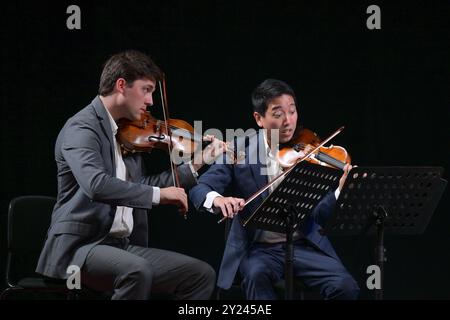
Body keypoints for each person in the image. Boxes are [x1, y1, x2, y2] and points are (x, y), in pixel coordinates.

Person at [36, 50, 221, 300]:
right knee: (136, 271)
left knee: (200, 275)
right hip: (81, 247)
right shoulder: (81, 127)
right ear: (121, 85)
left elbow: (141, 185)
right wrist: (158, 195)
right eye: (146, 90)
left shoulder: (126, 133)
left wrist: (198, 163)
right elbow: (97, 185)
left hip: (122, 247)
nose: (151, 101)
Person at [189, 79, 360, 300]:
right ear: (259, 118)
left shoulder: (309, 150)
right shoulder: (239, 150)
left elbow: (319, 213)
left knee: (346, 287)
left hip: (304, 243)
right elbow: (200, 188)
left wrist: (340, 191)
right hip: (260, 249)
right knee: (255, 274)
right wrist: (218, 200)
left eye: (292, 111)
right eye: (278, 114)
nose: (288, 121)